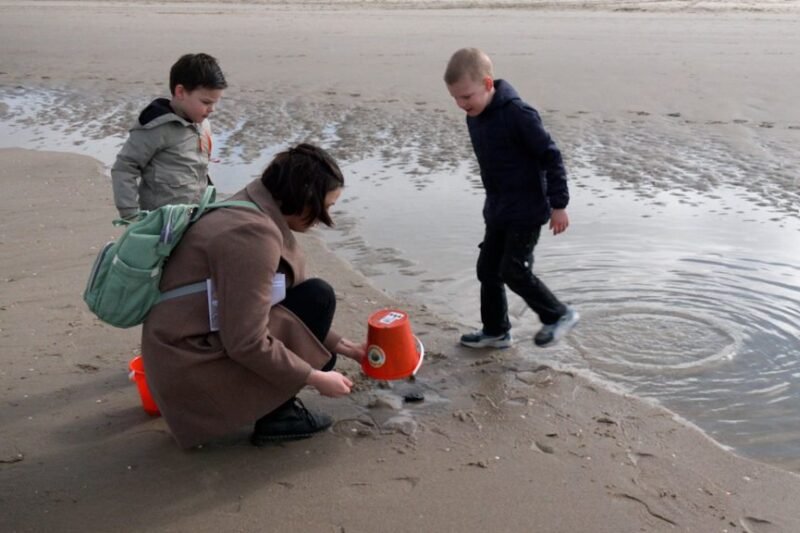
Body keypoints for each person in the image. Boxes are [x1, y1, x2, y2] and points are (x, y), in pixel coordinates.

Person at [141, 143, 366, 449]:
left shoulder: (252, 202)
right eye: (324, 207)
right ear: (301, 198)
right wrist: (312, 377)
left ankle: (274, 401)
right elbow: (245, 341)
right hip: (192, 367)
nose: (324, 218)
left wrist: (350, 348)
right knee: (316, 298)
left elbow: (274, 301)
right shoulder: (251, 236)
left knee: (314, 303)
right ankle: (279, 416)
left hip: (185, 344)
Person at [444, 47, 579, 349]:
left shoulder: (518, 114)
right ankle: (496, 331)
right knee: (487, 270)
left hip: (528, 209)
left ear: (488, 84)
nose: (461, 104)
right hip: (499, 209)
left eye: (467, 97)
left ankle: (559, 314)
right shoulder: (475, 115)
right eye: (455, 97)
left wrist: (559, 205)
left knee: (513, 269)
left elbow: (551, 156)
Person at [111, 52, 227, 220]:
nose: (212, 109)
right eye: (206, 102)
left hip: (196, 215)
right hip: (161, 223)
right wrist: (131, 216)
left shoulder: (203, 124)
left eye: (216, 103)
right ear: (180, 92)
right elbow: (124, 168)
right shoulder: (155, 128)